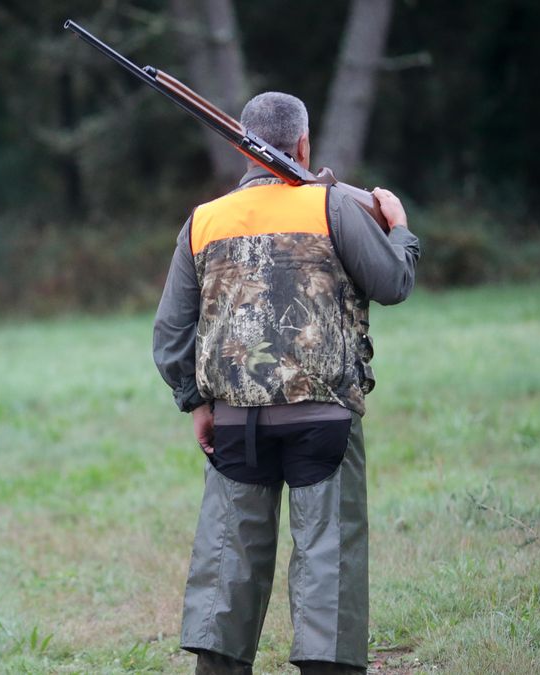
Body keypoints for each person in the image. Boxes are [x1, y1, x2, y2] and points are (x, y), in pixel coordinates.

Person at [152, 91, 419, 675]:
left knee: (230, 563)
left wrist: (195, 401)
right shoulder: (332, 206)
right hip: (322, 418)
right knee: (329, 563)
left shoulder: (204, 220)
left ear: (240, 147)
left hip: (235, 424)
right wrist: (398, 227)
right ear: (302, 145)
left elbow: (171, 331)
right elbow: (393, 281)